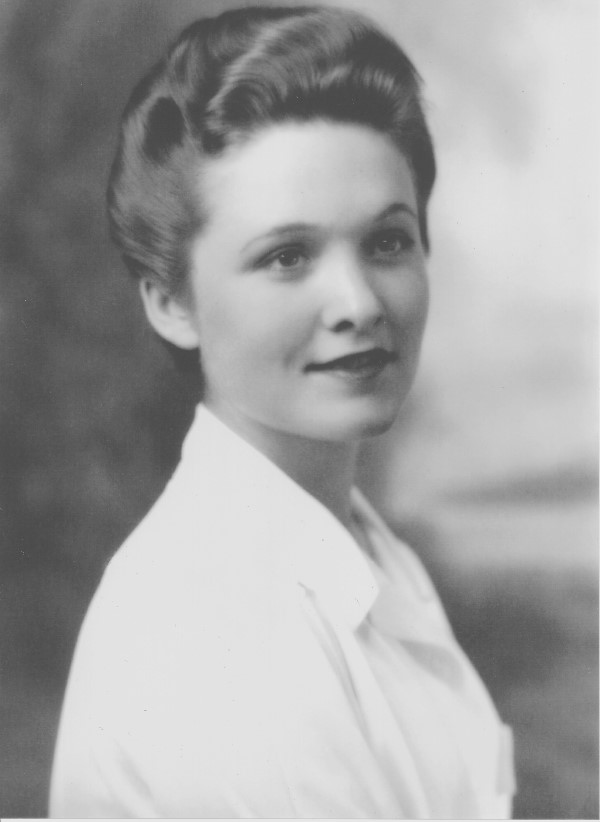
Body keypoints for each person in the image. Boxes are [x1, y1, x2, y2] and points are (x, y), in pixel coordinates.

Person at [49, 5, 515, 817]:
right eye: (287, 256)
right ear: (172, 302)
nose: (359, 302)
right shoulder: (220, 637)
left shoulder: (353, 544)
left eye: (388, 241)